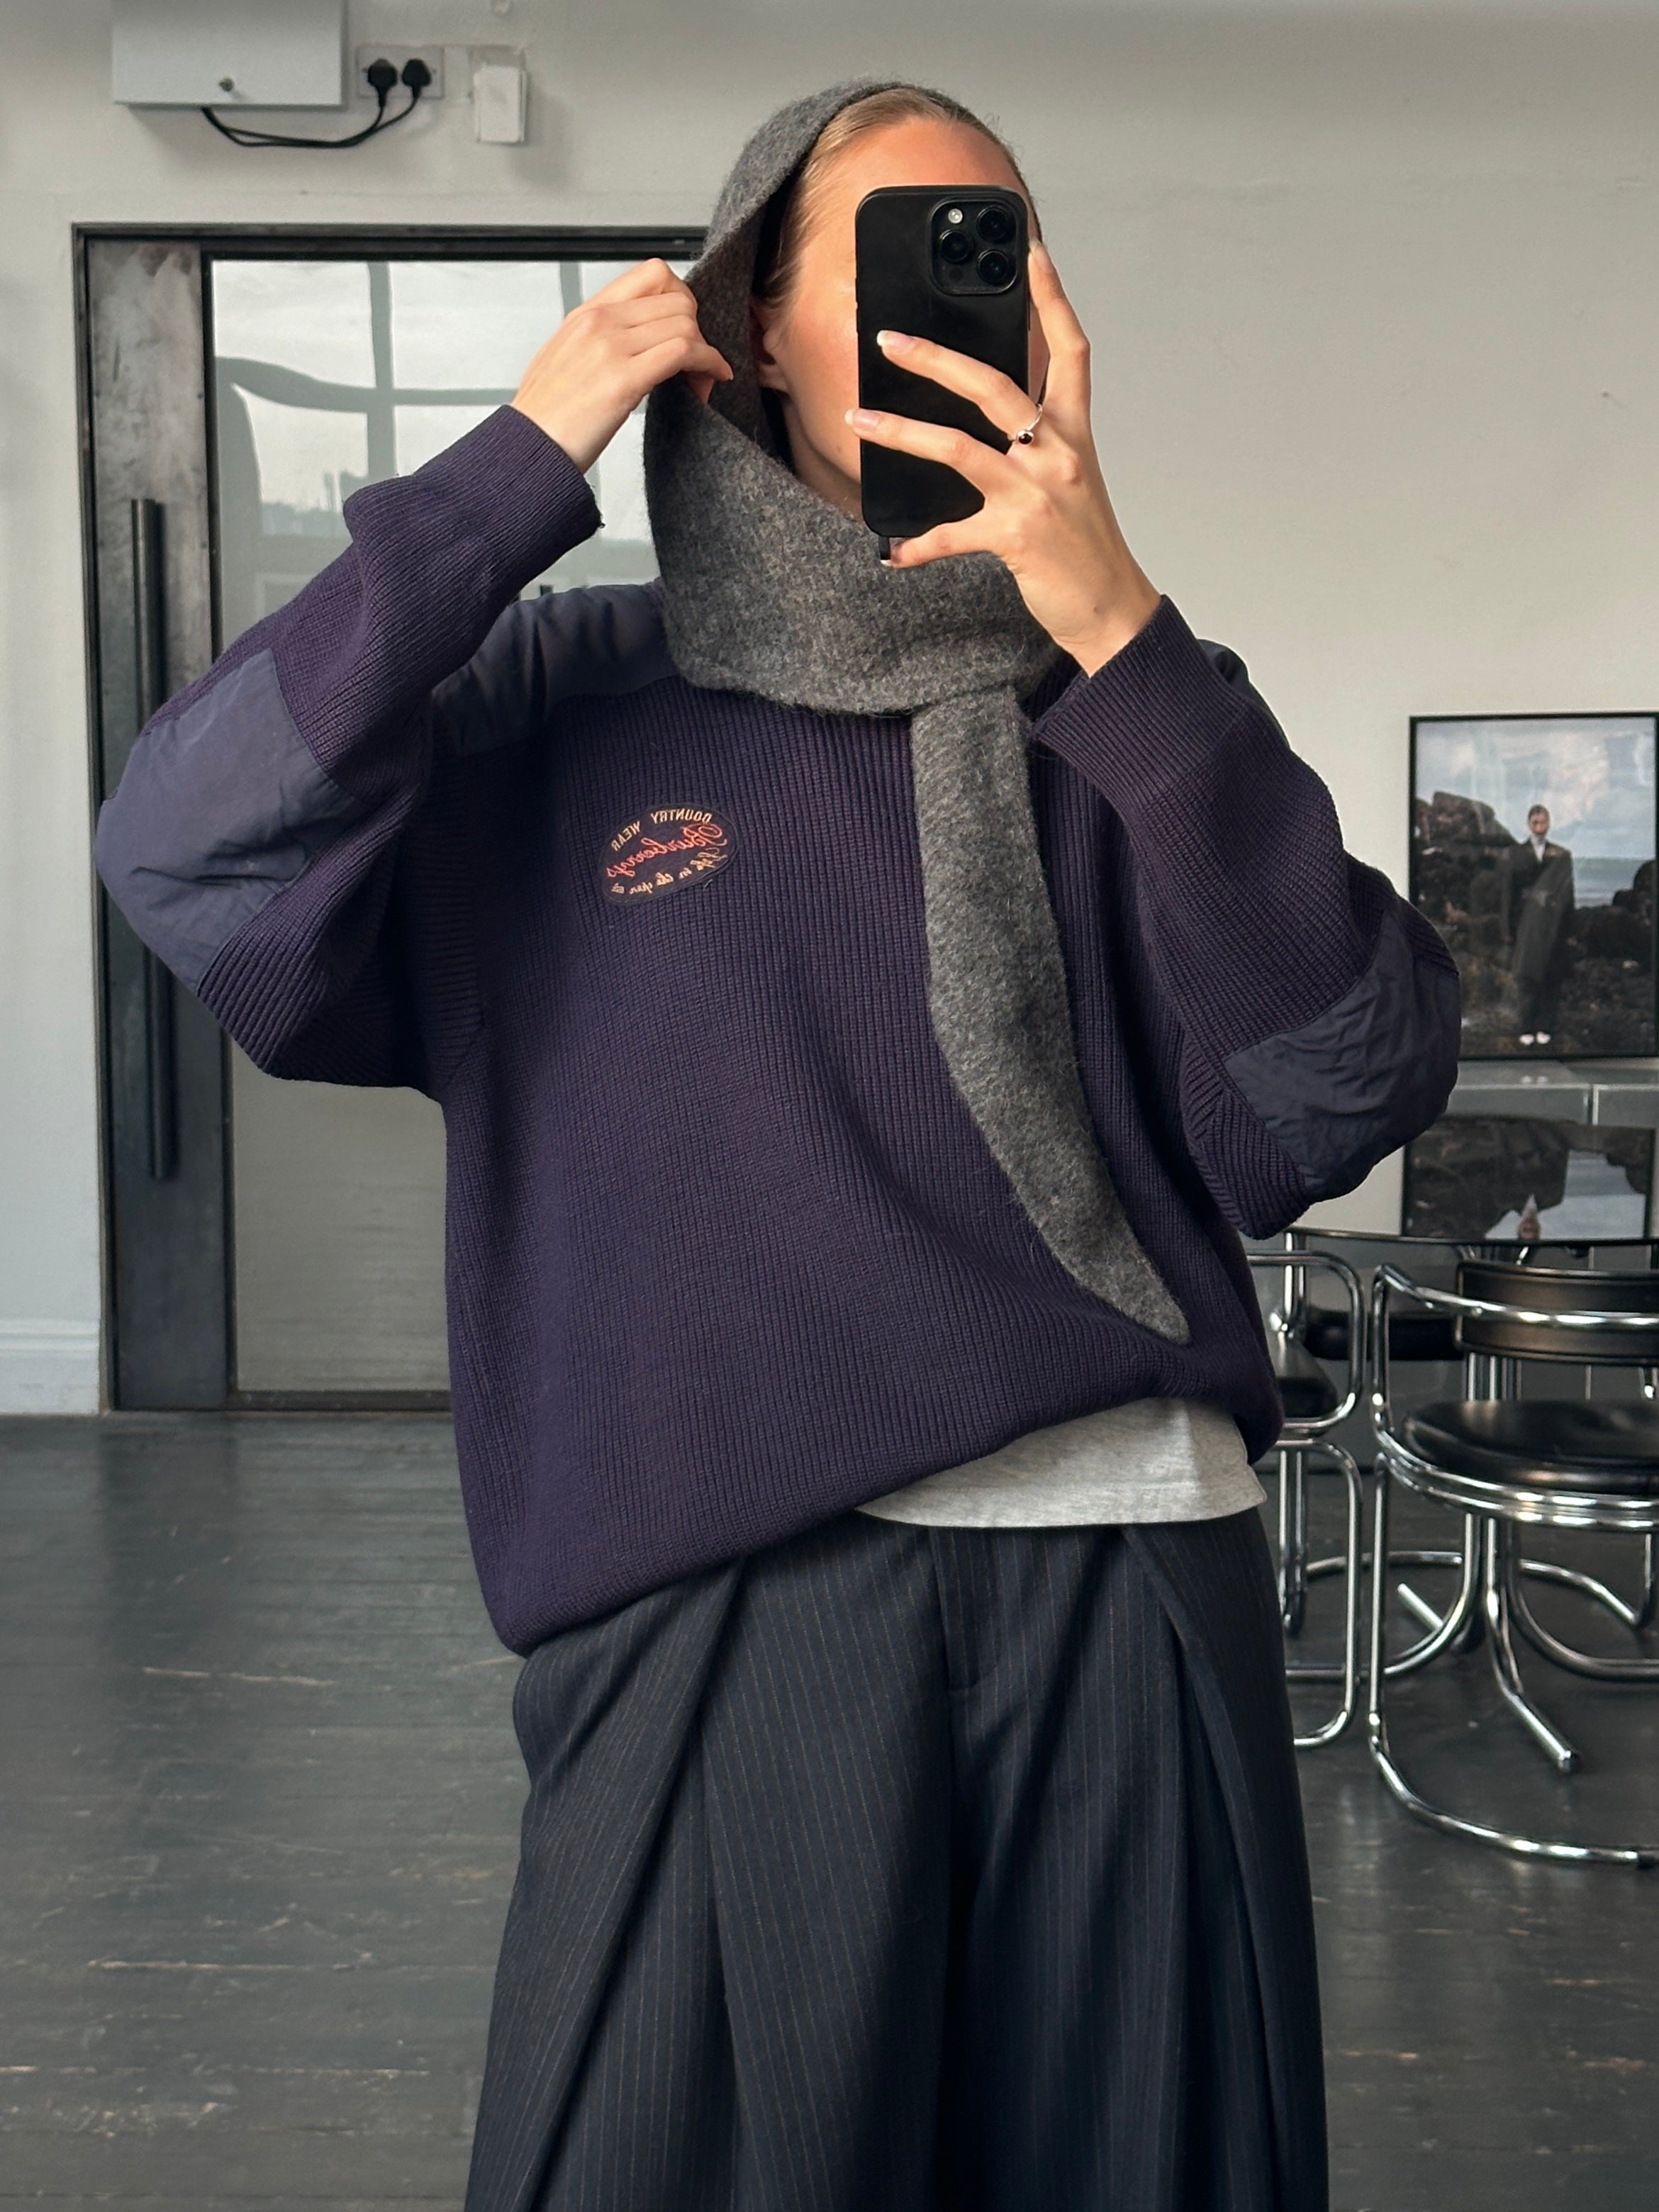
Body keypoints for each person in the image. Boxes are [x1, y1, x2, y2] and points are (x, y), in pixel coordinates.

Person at [94, 77, 1460, 2212]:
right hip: (723, 1599)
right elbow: (186, 841)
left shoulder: (1137, 701)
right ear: (748, 326)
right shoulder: (569, 698)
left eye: (1003, 248)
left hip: (1131, 1578)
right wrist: (514, 464)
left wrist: (1118, 632)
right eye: (907, 246)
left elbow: (1351, 1076)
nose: (968, 295)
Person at [1500, 803, 1575, 1046]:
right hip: (1524, 923)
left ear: (1549, 824)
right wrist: (1507, 929)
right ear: (1529, 825)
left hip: (1553, 923)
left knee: (1551, 975)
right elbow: (1508, 894)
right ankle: (1527, 1026)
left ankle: (1545, 1026)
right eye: (1535, 823)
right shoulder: (1516, 854)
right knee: (1526, 976)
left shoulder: (1561, 855)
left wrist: (1570, 931)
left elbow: (1568, 896)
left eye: (1543, 822)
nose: (1540, 827)